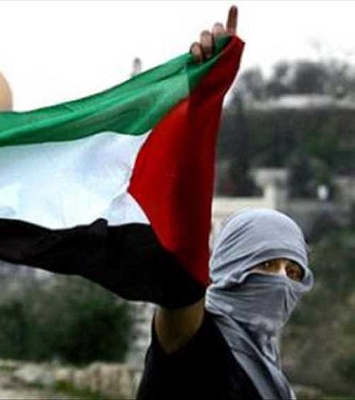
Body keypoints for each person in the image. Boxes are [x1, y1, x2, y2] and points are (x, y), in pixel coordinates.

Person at [136, 7, 315, 400]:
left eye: (293, 272)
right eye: (265, 265)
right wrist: (201, 100)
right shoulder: (197, 341)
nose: (280, 282)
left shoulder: (267, 367)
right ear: (228, 265)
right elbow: (182, 244)